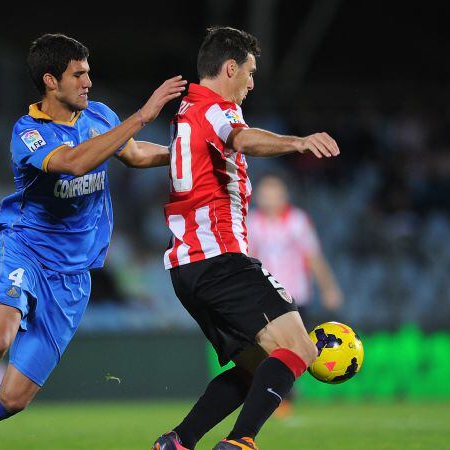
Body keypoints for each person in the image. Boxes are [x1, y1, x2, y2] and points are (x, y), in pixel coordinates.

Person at [0, 33, 185, 450]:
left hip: (73, 275)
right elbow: (73, 163)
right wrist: (143, 115)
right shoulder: (29, 132)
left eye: (89, 73)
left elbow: (135, 154)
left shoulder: (101, 115)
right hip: (25, 250)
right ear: (51, 81)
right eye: (79, 74)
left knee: (14, 398)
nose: (88, 82)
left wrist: (188, 151)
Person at [152, 26, 340, 450]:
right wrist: (298, 142)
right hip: (220, 258)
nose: (252, 83)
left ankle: (177, 441)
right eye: (250, 72)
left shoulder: (185, 113)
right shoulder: (218, 109)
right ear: (230, 68)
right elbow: (243, 137)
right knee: (301, 349)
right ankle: (240, 443)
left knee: (258, 366)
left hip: (186, 268)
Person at [248, 174, 343, 417]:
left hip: (295, 296)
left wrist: (329, 288)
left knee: (295, 349)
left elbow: (313, 257)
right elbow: (247, 260)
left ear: (283, 196)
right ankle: (279, 396)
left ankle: (284, 395)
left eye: (274, 192)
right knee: (271, 349)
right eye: (265, 193)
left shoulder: (298, 221)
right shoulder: (252, 222)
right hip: (266, 296)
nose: (269, 198)